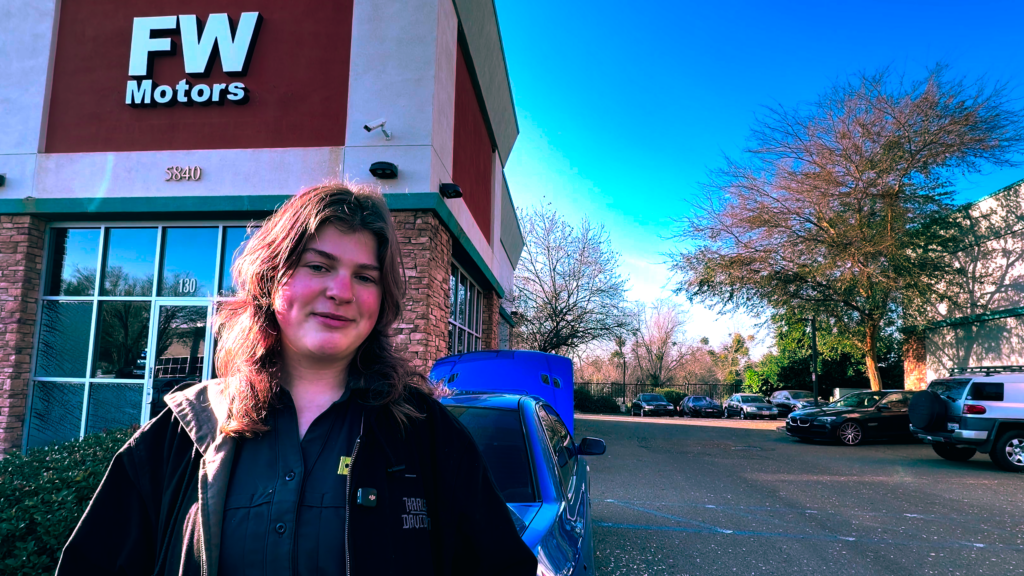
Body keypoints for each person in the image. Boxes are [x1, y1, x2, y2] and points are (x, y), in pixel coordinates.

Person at [56, 184, 537, 576]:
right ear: (270, 279)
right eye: (318, 266)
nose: (341, 291)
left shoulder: (428, 437)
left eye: (365, 277)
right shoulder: (186, 432)